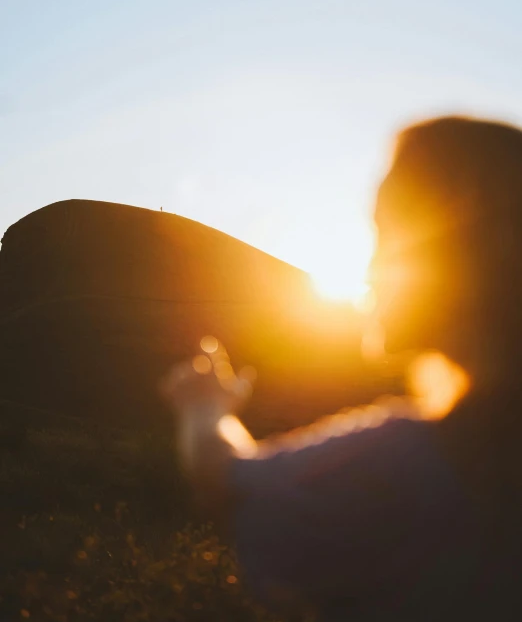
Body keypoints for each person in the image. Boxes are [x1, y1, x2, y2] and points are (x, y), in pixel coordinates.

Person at [161, 115, 522, 621]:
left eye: (385, 231)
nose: (370, 268)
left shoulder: (407, 466)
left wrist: (205, 406)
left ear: (463, 257)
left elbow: (226, 484)